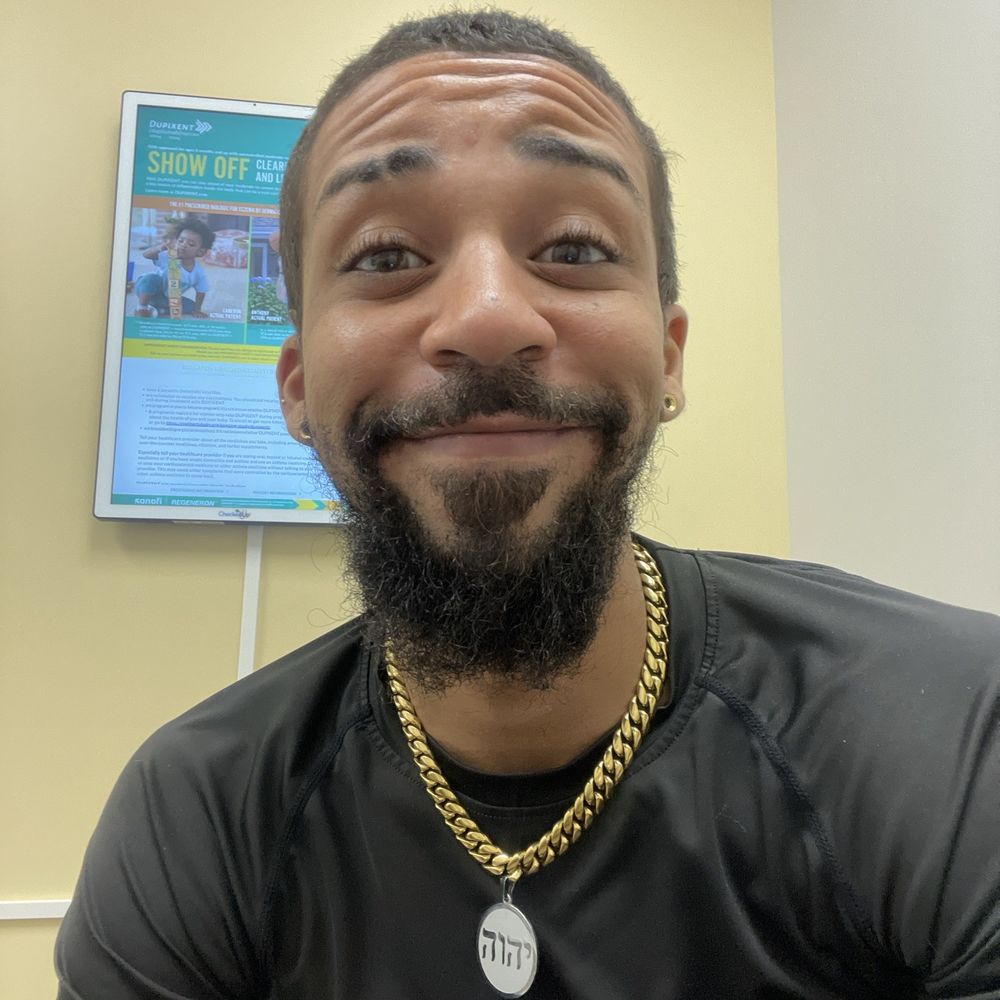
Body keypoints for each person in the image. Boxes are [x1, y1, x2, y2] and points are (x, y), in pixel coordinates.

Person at [57, 10, 1000, 999]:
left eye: (575, 247)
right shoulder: (195, 820)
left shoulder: (949, 741)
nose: (488, 316)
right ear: (296, 387)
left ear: (669, 357)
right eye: (385, 256)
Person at [134, 217, 215, 318]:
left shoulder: (198, 272)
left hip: (166, 297)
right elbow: (146, 255)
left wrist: (197, 310)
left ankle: (158, 308)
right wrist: (159, 248)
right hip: (146, 289)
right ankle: (142, 307)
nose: (183, 245)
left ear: (200, 252)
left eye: (191, 244)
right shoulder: (168, 256)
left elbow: (201, 292)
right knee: (151, 278)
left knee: (191, 306)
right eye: (181, 241)